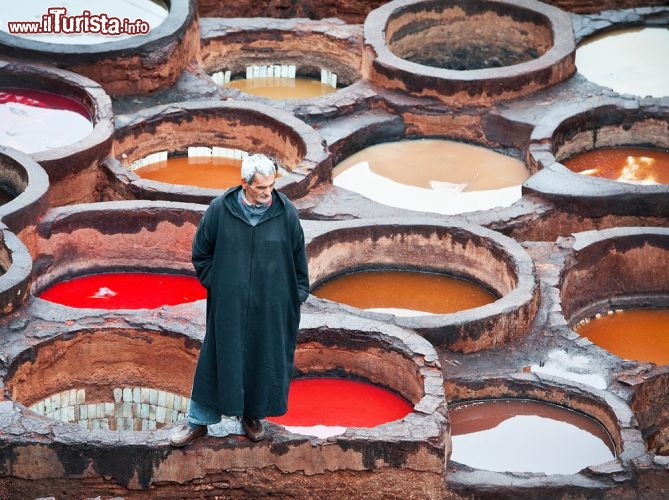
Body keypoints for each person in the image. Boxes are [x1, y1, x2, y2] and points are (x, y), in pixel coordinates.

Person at [170, 153, 310, 446]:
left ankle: (252, 416)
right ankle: (198, 421)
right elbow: (201, 253)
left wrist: (295, 297)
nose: (267, 193)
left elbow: (299, 260)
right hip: (229, 307)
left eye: (271, 186)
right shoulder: (220, 210)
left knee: (262, 358)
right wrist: (219, 286)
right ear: (244, 184)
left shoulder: (286, 213)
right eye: (261, 187)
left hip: (271, 307)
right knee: (217, 358)